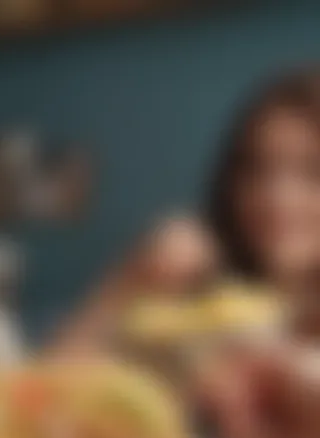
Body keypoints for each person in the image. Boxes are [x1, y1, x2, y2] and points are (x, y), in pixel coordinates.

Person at [55, 69, 320, 349]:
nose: (278, 197)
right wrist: (132, 280)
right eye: (256, 169)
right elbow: (52, 378)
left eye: (313, 171)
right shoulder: (197, 298)